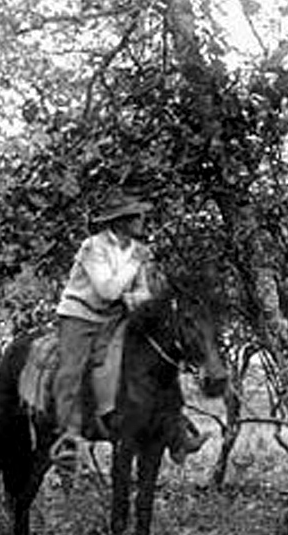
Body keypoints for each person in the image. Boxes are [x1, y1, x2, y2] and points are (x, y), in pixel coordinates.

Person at [50, 190, 207, 470]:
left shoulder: (137, 250)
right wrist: (133, 267)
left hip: (116, 315)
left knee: (154, 359)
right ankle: (68, 438)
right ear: (121, 221)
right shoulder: (93, 247)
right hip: (81, 316)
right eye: (136, 216)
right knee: (71, 370)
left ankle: (174, 426)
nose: (141, 220)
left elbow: (142, 292)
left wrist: (139, 298)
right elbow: (107, 290)